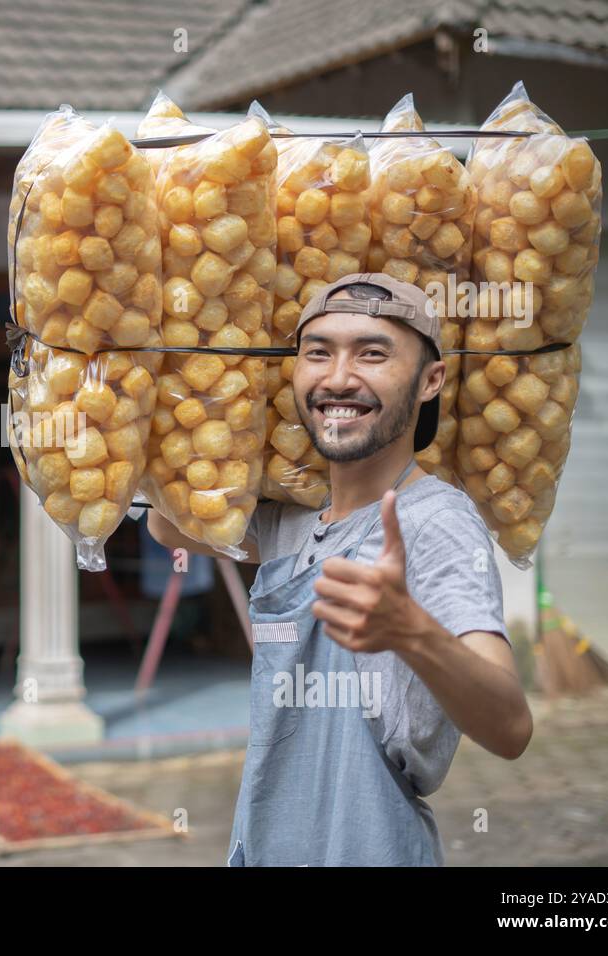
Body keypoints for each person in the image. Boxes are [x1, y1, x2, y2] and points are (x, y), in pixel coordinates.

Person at [148, 272, 532, 866]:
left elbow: (511, 728)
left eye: (373, 354)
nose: (338, 378)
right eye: (317, 354)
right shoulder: (292, 522)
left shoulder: (435, 522)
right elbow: (166, 524)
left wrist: (412, 631)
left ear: (431, 381)